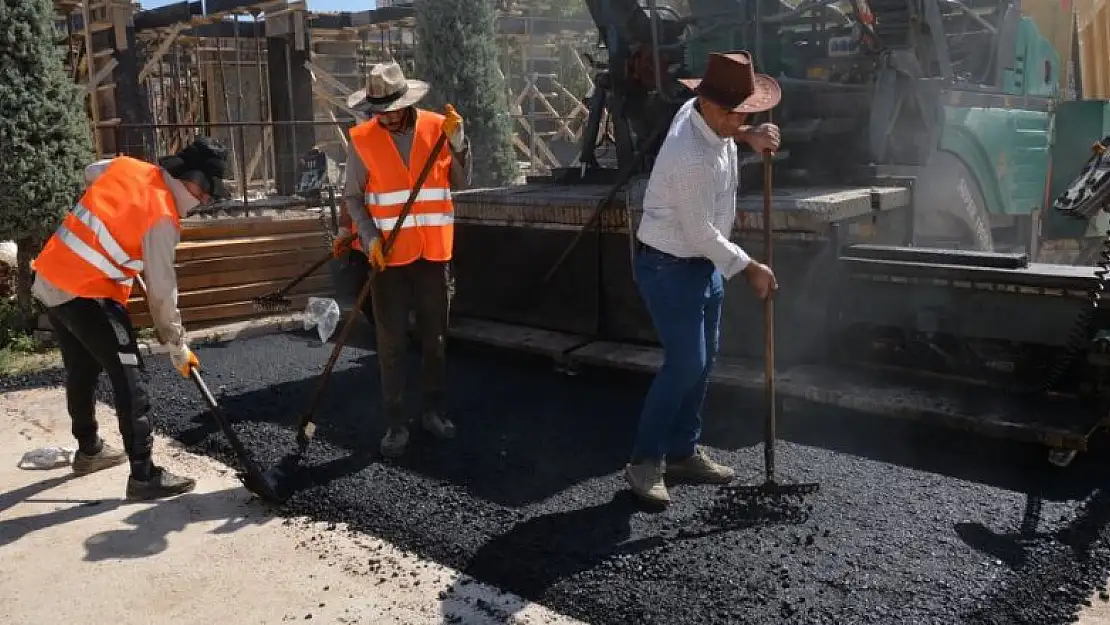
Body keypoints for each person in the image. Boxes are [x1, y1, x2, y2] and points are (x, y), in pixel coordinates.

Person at [30, 137, 232, 500]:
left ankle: (89, 450)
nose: (203, 202)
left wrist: (118, 220)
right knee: (130, 376)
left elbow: (92, 172)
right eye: (206, 193)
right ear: (193, 180)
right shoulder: (162, 215)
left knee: (82, 368)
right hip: (85, 290)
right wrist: (176, 343)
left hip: (50, 279)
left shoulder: (129, 168)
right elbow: (161, 291)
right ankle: (144, 474)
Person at [624, 51, 783, 505]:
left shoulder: (707, 118)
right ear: (709, 105)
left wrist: (748, 134)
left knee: (705, 357)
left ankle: (682, 451)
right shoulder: (689, 156)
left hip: (701, 263)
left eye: (746, 112)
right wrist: (749, 266)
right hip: (670, 264)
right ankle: (643, 461)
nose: (740, 120)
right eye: (736, 114)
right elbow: (699, 231)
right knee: (685, 363)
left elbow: (705, 238)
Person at [333, 61, 472, 459]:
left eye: (392, 108)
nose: (387, 117)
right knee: (391, 343)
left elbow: (461, 181)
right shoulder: (362, 140)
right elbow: (354, 198)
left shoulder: (436, 128)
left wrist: (459, 142)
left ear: (406, 101)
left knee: (436, 340)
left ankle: (434, 411)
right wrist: (369, 237)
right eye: (379, 111)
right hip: (387, 259)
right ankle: (396, 423)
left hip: (433, 254)